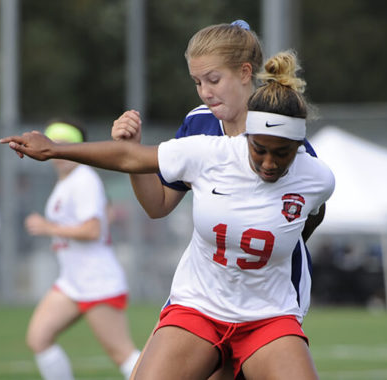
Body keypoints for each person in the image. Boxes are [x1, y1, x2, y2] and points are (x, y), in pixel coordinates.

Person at [2, 50, 334, 379]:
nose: (268, 163)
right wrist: (53, 149)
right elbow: (130, 158)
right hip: (200, 308)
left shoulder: (317, 177)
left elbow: (311, 217)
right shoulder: (209, 153)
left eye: (282, 153)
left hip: (268, 316)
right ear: (247, 136)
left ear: (299, 145)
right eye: (258, 149)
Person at [112, 20, 325, 379]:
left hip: (266, 300)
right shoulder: (200, 124)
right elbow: (157, 205)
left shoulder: (284, 140)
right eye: (197, 83)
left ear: (245, 73)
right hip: (205, 293)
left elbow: (311, 215)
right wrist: (131, 155)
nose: (205, 92)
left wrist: (258, 246)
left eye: (213, 80)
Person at [22, 121, 141, 379]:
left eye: (66, 145)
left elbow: (92, 231)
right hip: (72, 281)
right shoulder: (68, 182)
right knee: (39, 337)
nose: (59, 152)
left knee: (122, 354)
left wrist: (47, 227)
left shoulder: (83, 179)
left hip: (97, 281)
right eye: (54, 144)